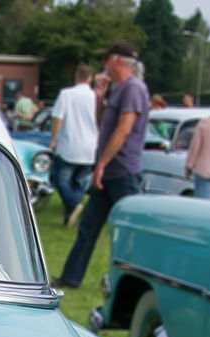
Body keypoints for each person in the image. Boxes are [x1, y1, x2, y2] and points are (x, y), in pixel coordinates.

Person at [54, 41, 150, 289]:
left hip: (122, 171)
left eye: (106, 59)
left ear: (119, 61)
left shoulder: (133, 89)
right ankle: (70, 278)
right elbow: (102, 125)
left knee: (127, 233)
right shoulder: (117, 90)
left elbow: (124, 129)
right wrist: (99, 98)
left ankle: (132, 284)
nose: (103, 65)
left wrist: (102, 164)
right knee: (88, 227)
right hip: (107, 171)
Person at [49, 64, 97, 226]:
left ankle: (73, 205)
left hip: (70, 144)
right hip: (90, 147)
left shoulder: (66, 94)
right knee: (79, 182)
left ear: (76, 77)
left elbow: (58, 118)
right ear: (90, 79)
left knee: (60, 179)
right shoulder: (97, 97)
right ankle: (70, 216)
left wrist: (54, 139)